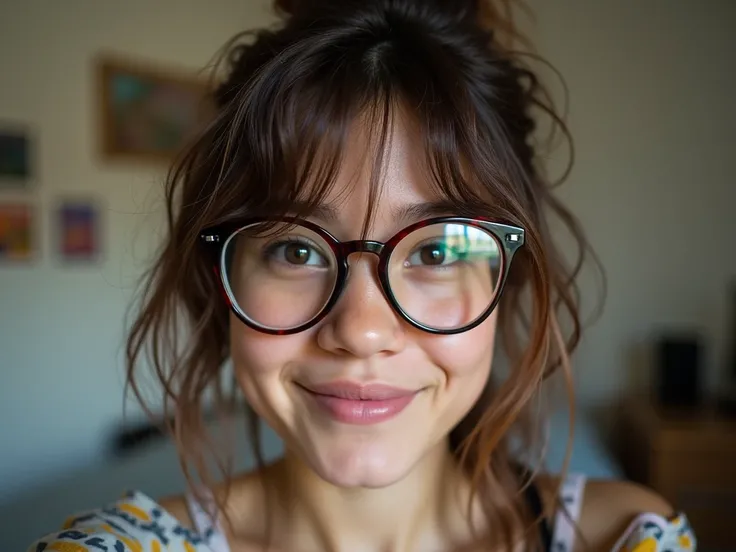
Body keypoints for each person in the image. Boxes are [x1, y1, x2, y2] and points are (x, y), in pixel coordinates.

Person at [28, 0, 697, 550]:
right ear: (220, 282)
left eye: (436, 252)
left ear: (507, 283)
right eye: (294, 250)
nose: (361, 330)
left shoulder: (625, 534)